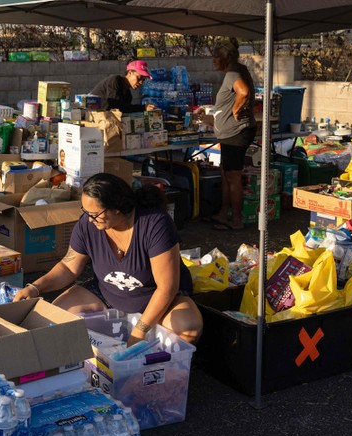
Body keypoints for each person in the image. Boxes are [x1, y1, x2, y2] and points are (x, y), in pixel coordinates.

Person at [14, 173, 203, 346]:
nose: (89, 219)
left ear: (118, 209)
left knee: (188, 327)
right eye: (85, 212)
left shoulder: (155, 224)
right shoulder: (89, 224)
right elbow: (68, 267)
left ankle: (160, 367)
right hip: (109, 292)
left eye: (95, 214)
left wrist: (139, 331)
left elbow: (166, 288)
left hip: (154, 298)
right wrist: (35, 287)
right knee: (52, 320)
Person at [197, 40, 257, 231]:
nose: (214, 61)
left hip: (236, 134)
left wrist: (236, 110)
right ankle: (224, 214)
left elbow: (244, 92)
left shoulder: (233, 73)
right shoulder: (236, 70)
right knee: (226, 174)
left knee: (232, 176)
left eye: (216, 57)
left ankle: (237, 219)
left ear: (227, 58)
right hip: (231, 133)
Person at [90, 59, 157, 112]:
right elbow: (116, 107)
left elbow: (125, 110)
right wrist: (143, 108)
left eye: (143, 80)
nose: (141, 82)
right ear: (130, 73)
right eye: (139, 78)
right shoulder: (114, 81)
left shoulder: (128, 96)